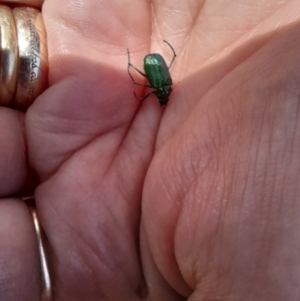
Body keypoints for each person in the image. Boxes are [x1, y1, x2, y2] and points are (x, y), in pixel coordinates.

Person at [1, 0, 300, 300]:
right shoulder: (165, 87)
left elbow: (147, 76)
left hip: (154, 65)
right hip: (155, 65)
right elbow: (152, 71)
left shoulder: (163, 89)